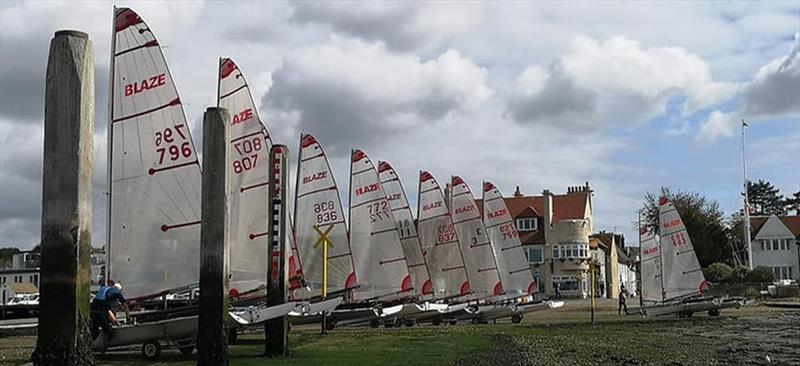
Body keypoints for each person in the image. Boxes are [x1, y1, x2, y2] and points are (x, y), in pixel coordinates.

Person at [90, 282, 130, 349]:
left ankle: (88, 346)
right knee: (109, 331)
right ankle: (104, 347)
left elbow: (107, 309)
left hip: (92, 310)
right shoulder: (117, 293)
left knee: (95, 332)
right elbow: (125, 306)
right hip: (99, 312)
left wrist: (114, 320)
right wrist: (127, 317)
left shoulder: (105, 289)